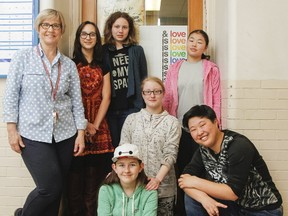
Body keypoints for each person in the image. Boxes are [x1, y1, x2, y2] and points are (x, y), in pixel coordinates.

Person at [3, 9, 87, 216]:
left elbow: (77, 101)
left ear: (61, 31)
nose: (51, 29)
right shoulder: (22, 58)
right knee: (49, 187)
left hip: (65, 134)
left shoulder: (68, 65)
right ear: (38, 29)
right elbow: (11, 96)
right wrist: (11, 130)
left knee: (57, 192)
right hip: (32, 133)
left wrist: (81, 133)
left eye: (55, 25)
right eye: (46, 25)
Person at [179, 105, 283, 216]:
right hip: (235, 206)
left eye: (202, 125)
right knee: (192, 196)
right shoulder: (203, 150)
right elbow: (183, 180)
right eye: (193, 129)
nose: (199, 132)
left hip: (263, 209)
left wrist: (195, 181)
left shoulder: (238, 146)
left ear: (215, 122)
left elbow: (233, 192)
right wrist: (204, 199)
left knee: (193, 186)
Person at [163, 29, 221, 215]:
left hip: (203, 130)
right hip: (180, 129)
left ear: (205, 47)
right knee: (181, 171)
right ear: (186, 43)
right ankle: (182, 211)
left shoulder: (210, 68)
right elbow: (168, 98)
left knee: (203, 171)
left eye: (199, 42)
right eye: (191, 40)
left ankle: (202, 209)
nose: (194, 44)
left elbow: (216, 99)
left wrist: (216, 126)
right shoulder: (175, 68)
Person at [65, 21, 114, 216]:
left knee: (95, 183)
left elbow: (107, 96)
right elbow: (67, 98)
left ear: (97, 38)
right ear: (78, 37)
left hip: (99, 127)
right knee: (74, 182)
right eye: (84, 34)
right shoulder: (70, 64)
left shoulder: (104, 64)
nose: (88, 37)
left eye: (92, 34)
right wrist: (84, 124)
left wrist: (95, 124)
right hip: (76, 126)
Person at [120, 77, 181, 215]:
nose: (152, 95)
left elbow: (170, 154)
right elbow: (123, 151)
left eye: (157, 91)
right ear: (142, 94)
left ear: (163, 93)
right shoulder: (131, 119)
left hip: (164, 189)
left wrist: (157, 180)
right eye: (147, 92)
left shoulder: (172, 122)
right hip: (134, 186)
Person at [103, 11, 148, 148]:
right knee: (113, 150)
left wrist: (142, 107)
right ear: (111, 28)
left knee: (130, 148)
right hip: (109, 109)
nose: (120, 31)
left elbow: (143, 78)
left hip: (131, 107)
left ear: (130, 30)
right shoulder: (103, 50)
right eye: (117, 26)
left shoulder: (137, 50)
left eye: (124, 27)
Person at [97, 143, 158, 215]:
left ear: (141, 167)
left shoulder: (149, 192)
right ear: (114, 168)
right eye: (121, 165)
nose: (127, 170)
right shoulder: (106, 190)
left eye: (132, 165)